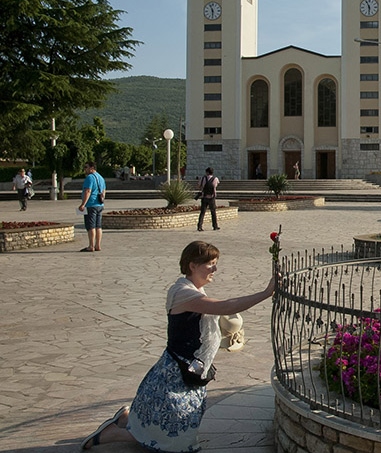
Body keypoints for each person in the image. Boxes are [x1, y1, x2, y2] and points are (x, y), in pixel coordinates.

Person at [80, 240, 280, 451]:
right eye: (210, 263)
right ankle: (111, 434)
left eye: (215, 263)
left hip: (189, 369)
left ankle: (125, 421)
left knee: (177, 431)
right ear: (193, 265)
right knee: (172, 437)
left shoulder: (192, 290)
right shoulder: (183, 292)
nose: (215, 269)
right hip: (176, 373)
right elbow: (224, 307)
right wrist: (266, 293)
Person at [78, 162, 106, 252]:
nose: (84, 169)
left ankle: (91, 246)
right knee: (98, 226)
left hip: (91, 204)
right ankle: (98, 245)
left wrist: (83, 204)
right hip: (100, 204)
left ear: (92, 168)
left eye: (86, 167)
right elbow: (104, 191)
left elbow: (88, 191)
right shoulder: (100, 177)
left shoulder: (89, 177)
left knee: (91, 226)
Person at [197, 167, 220, 231]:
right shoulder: (215, 179)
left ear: (207, 172)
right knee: (213, 212)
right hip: (212, 198)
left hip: (204, 197)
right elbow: (215, 186)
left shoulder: (203, 178)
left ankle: (199, 226)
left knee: (202, 212)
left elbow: (199, 185)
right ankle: (215, 226)